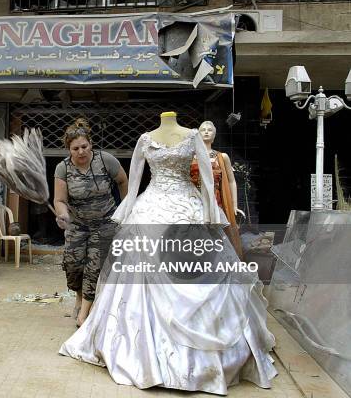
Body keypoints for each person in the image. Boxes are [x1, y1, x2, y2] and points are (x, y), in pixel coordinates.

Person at [59, 112, 277, 394]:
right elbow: (134, 178)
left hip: (187, 205)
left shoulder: (192, 135)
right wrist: (128, 209)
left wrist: (212, 210)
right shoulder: (146, 139)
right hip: (152, 206)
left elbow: (208, 177)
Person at [53, 118, 128, 326]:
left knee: (94, 267)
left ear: (91, 144)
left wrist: (125, 209)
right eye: (75, 148)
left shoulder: (106, 160)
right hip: (77, 224)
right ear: (69, 149)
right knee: (73, 266)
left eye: (84, 146)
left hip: (105, 223)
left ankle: (84, 314)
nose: (81, 152)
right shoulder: (62, 168)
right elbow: (59, 200)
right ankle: (79, 296)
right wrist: (62, 215)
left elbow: (123, 182)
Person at [190, 120, 245, 258]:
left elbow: (231, 181)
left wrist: (234, 205)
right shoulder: (190, 157)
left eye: (210, 130)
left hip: (216, 201)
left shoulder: (221, 157)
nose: (206, 131)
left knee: (216, 237)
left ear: (214, 135)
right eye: (203, 129)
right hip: (194, 200)